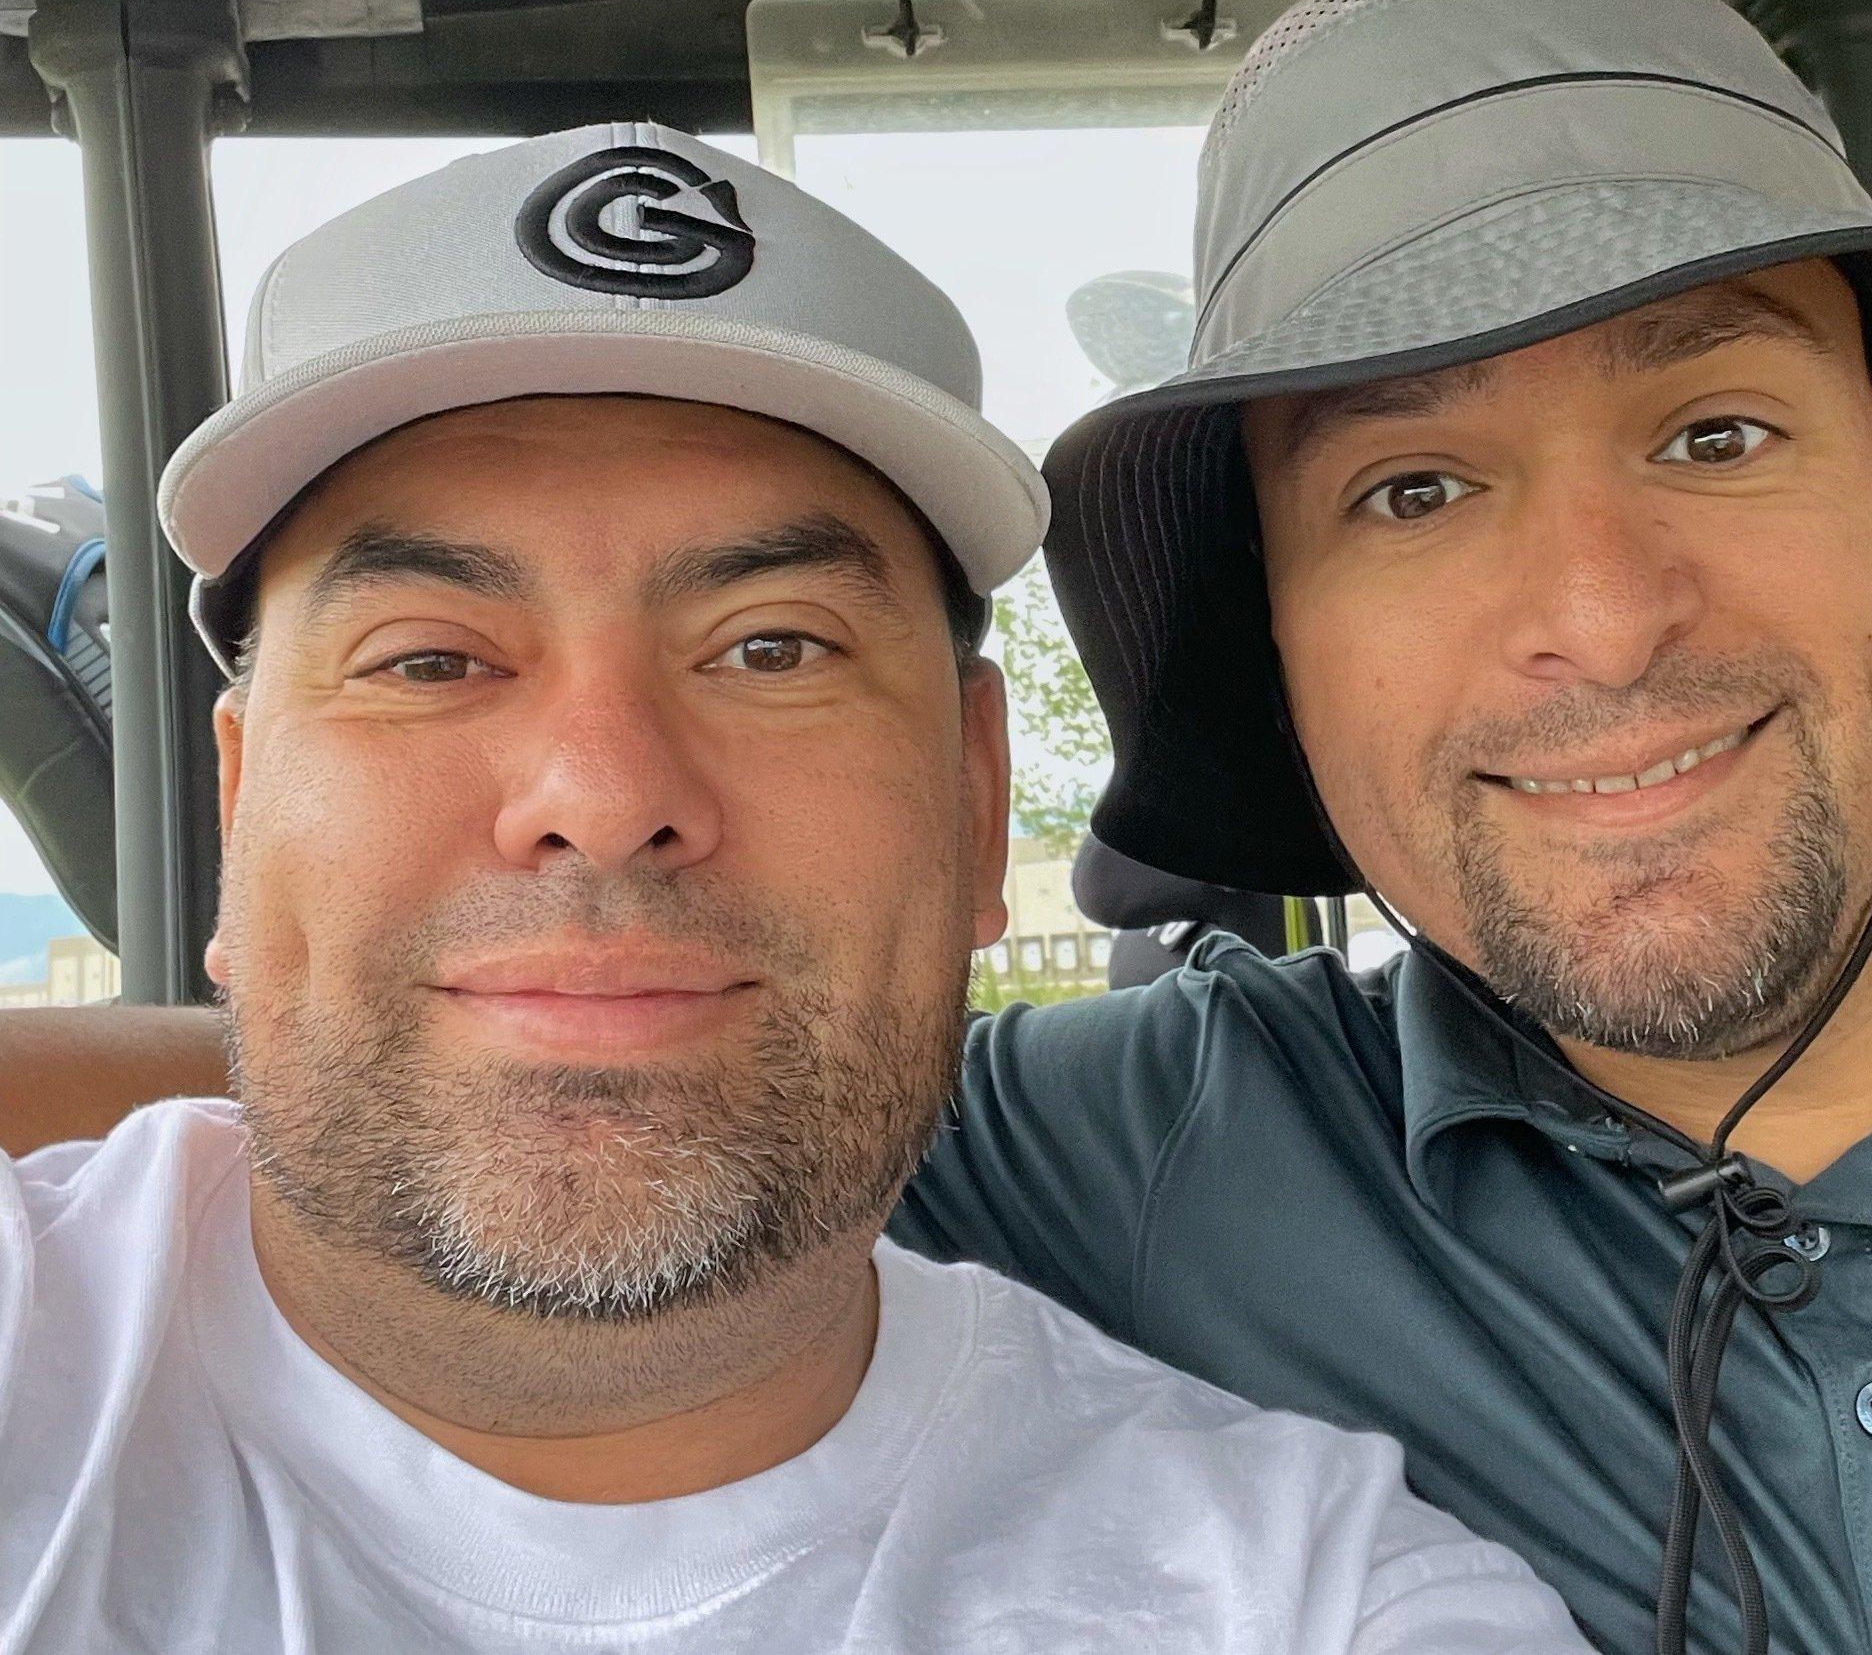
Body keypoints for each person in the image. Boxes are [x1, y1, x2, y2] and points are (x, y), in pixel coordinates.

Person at [10, 0, 1872, 1654]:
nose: (1601, 621)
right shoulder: (1174, 1139)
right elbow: (590, 1055)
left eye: (1717, 430)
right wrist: (346, 1026)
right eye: (1411, 494)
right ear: (1288, 659)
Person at [0, 125, 1583, 1653]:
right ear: (234, 799)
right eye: (428, 658)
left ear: (974, 804)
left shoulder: (1314, 1600)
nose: (607, 797)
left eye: (774, 648)